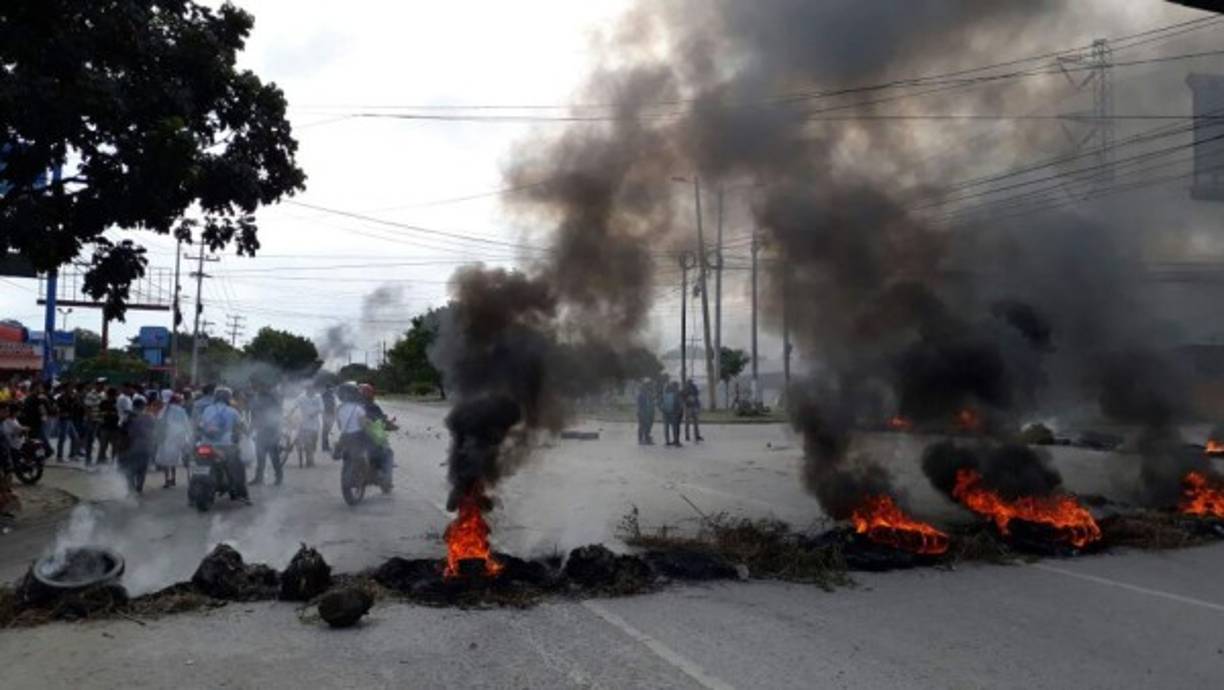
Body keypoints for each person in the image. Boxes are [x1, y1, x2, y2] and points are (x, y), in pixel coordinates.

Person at [198, 386, 250, 502]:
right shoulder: (233, 411)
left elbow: (200, 425)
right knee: (238, 468)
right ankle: (242, 493)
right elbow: (242, 427)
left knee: (199, 464)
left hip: (205, 445)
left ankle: (192, 496)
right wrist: (245, 432)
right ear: (228, 398)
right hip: (226, 446)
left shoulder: (207, 410)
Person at [359, 383, 397, 485]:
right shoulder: (373, 406)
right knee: (388, 453)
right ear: (370, 394)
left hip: (356, 439)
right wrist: (390, 425)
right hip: (371, 439)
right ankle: (387, 481)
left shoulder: (354, 406)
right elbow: (381, 420)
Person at [249, 383, 283, 486]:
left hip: (270, 431)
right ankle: (261, 478)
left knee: (272, 456)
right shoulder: (258, 400)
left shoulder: (271, 400)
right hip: (264, 431)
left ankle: (276, 477)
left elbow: (277, 417)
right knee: (262, 456)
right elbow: (254, 416)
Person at [120, 397, 156, 494]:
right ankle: (139, 487)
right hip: (146, 447)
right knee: (142, 469)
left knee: (130, 469)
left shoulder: (129, 417)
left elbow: (123, 432)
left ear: (133, 406)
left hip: (131, 447)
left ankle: (131, 489)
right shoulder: (150, 417)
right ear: (143, 406)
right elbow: (155, 431)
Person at [155, 393, 191, 488]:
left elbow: (158, 420)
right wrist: (188, 436)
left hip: (166, 436)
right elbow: (186, 423)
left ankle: (167, 480)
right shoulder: (181, 410)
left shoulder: (165, 409)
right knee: (174, 458)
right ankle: (173, 479)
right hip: (177, 437)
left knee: (166, 459)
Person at [291, 385, 323, 468]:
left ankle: (310, 455)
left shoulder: (318, 397)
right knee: (307, 442)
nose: (311, 391)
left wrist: (314, 413)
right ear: (306, 390)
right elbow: (294, 406)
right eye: (309, 389)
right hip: (303, 423)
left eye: (312, 389)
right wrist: (289, 414)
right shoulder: (301, 397)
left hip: (315, 424)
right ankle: (309, 460)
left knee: (313, 442)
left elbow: (321, 408)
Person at [661, 381, 682, 447]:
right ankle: (675, 441)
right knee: (674, 428)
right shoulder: (675, 395)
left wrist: (663, 410)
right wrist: (678, 411)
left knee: (667, 428)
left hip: (666, 413)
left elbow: (660, 404)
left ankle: (668, 441)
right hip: (672, 413)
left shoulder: (664, 395)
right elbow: (679, 404)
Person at [635, 378, 656, 445]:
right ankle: (641, 439)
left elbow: (652, 402)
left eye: (649, 384)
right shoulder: (641, 394)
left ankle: (647, 438)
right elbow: (640, 405)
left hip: (650, 412)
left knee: (648, 426)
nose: (649, 386)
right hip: (643, 412)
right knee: (642, 425)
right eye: (648, 385)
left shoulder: (649, 393)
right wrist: (640, 412)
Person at [683, 379, 703, 443]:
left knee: (691, 422)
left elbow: (697, 395)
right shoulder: (689, 388)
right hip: (690, 407)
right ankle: (693, 435)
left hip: (690, 407)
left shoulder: (689, 388)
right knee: (693, 422)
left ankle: (690, 436)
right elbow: (697, 395)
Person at [320, 384, 336, 452]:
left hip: (330, 414)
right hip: (327, 414)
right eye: (330, 388)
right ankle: (325, 446)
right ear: (327, 388)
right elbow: (322, 405)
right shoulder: (324, 395)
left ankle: (325, 446)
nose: (331, 389)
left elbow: (334, 405)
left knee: (327, 431)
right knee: (326, 431)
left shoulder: (331, 395)